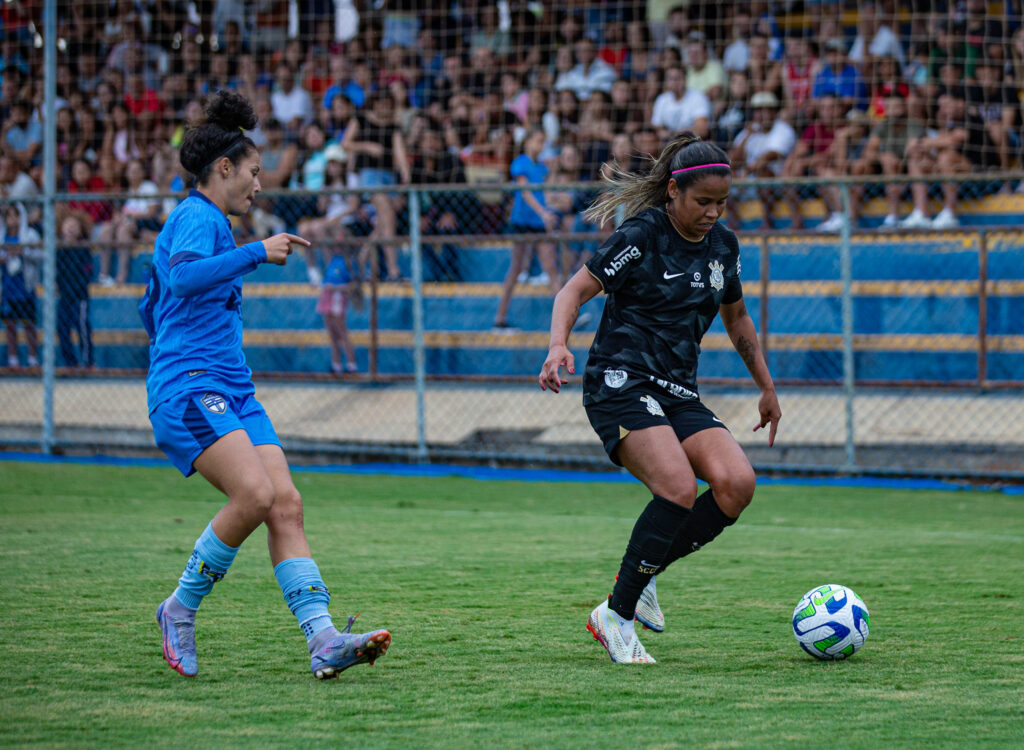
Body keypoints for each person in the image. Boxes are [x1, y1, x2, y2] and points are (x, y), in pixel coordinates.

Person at [139, 90, 390, 680]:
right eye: (253, 172)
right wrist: (256, 252)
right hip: (191, 386)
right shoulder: (199, 215)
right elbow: (179, 280)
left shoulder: (213, 222)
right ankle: (178, 608)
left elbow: (156, 305)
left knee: (286, 505)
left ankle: (323, 638)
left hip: (231, 387)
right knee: (254, 495)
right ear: (223, 169)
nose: (259, 184)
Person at [538, 132, 781, 664]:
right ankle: (615, 618)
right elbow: (572, 290)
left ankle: (643, 576)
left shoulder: (724, 247)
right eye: (704, 202)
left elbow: (736, 317)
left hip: (676, 390)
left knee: (736, 484)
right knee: (675, 486)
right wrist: (559, 344)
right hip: (619, 382)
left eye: (722, 202)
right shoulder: (642, 234)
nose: (714, 212)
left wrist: (766, 385)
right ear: (674, 191)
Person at [493, 128, 561, 329]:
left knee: (551, 269)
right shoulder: (520, 162)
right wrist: (543, 212)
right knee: (515, 269)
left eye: (543, 143)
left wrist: (555, 173)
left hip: (539, 224)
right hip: (523, 222)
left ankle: (567, 319)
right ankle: (500, 318)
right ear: (528, 141)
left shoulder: (542, 168)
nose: (541, 147)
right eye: (538, 141)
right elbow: (525, 192)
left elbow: (546, 193)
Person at [1, 201, 41, 368]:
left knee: (29, 324)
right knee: (10, 324)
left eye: (15, 215)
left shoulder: (30, 235)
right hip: (7, 288)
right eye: (8, 216)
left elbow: (41, 255)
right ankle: (13, 359)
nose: (12, 219)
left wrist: (24, 252)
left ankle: (32, 359)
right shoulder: (2, 236)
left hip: (25, 287)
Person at [56, 209, 94, 368]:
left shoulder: (83, 249)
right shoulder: (59, 250)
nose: (70, 229)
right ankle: (70, 363)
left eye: (74, 226)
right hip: (64, 296)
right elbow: (55, 271)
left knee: (82, 329)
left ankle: (88, 362)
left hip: (80, 297)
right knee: (62, 328)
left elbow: (87, 272)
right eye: (67, 225)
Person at [317, 249, 362, 374]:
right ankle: (336, 365)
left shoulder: (349, 262)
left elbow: (354, 285)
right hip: (327, 296)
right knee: (332, 335)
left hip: (337, 296)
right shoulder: (332, 260)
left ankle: (351, 364)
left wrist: (336, 288)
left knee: (342, 332)